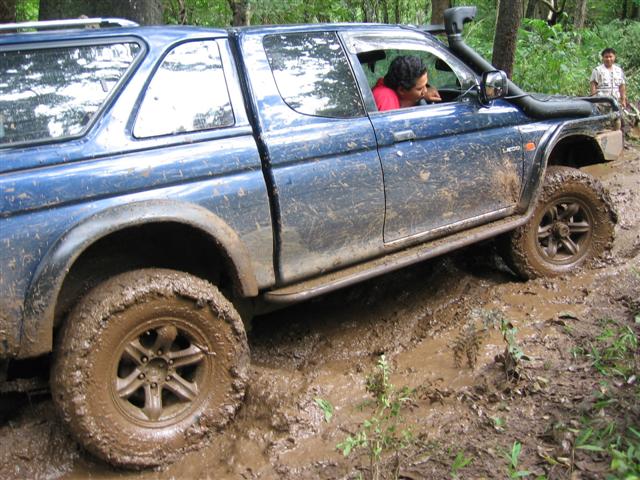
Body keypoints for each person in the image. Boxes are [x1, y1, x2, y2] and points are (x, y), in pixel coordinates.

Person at [372, 55, 441, 111]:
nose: (425, 91)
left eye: (425, 85)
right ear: (401, 90)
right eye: (420, 89)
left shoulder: (385, 85)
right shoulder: (386, 101)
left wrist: (422, 95)